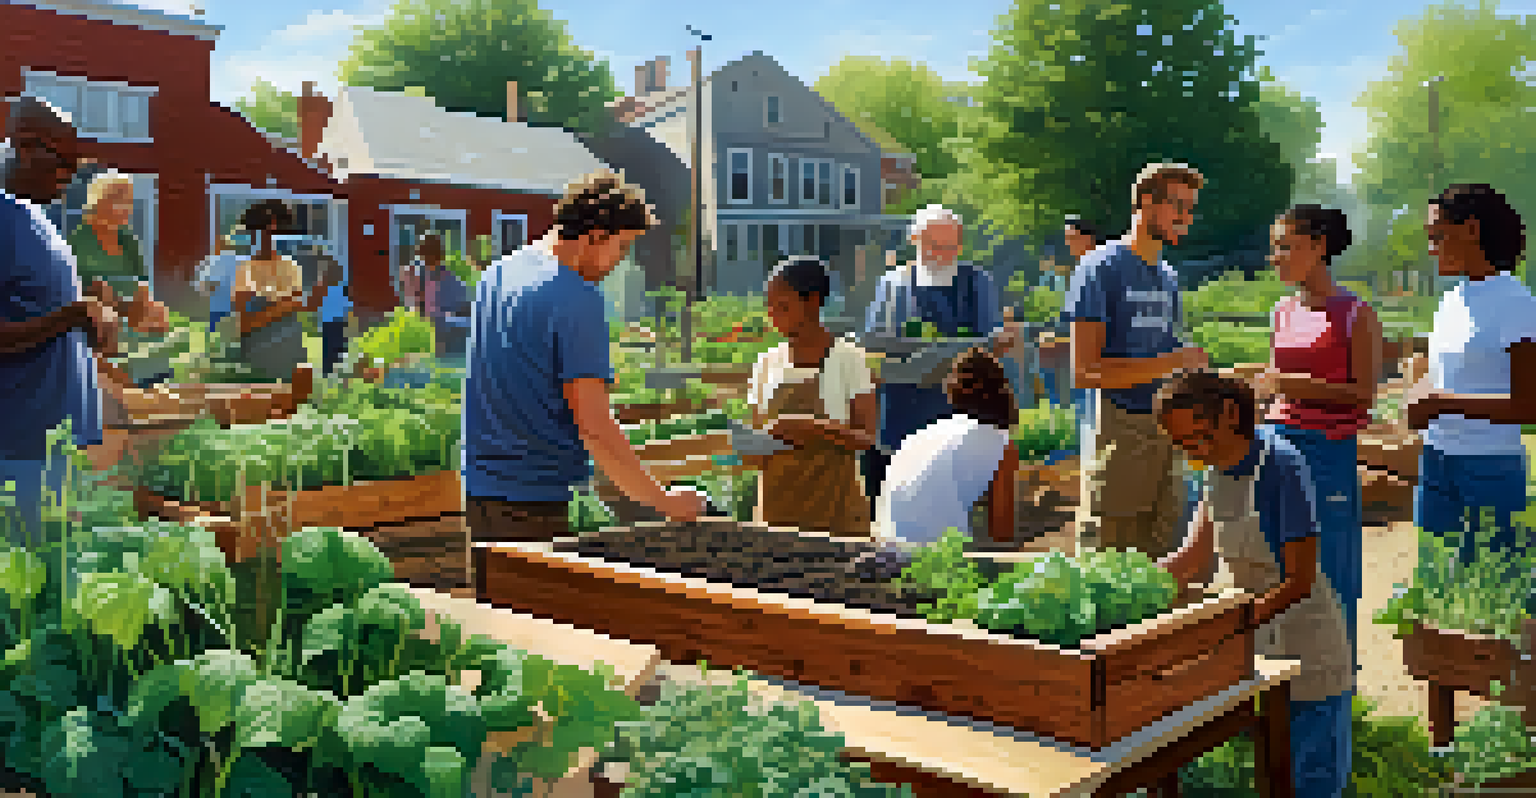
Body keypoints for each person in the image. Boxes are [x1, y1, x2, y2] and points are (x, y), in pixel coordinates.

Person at [463, 171, 704, 592]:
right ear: (594, 236)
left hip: (481, 492)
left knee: (499, 633)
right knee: (548, 644)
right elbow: (593, 425)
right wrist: (663, 500)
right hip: (536, 501)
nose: (619, 264)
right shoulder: (576, 296)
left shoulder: (497, 276)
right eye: (622, 248)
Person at [1156, 370, 1353, 797]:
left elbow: (1299, 580)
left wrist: (1231, 625)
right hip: (1252, 640)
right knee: (1262, 772)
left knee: (1309, 779)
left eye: (1197, 436)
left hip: (1306, 642)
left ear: (1228, 414)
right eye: (1182, 444)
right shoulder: (1212, 470)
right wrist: (1133, 584)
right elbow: (1190, 559)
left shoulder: (1281, 465)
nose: (1192, 450)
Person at [0, 94, 167, 547]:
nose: (72, 176)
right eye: (63, 161)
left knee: (47, 581)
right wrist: (73, 314)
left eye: (79, 164)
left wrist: (97, 318)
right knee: (21, 591)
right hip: (17, 443)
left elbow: (42, 313)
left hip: (55, 439)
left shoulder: (39, 217)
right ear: (24, 146)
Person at [1062, 162, 1209, 559]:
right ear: (1145, 202)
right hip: (1120, 435)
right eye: (1177, 205)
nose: (1185, 217)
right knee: (1109, 566)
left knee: (1165, 568)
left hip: (1170, 433)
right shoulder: (1099, 268)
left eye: (1191, 209)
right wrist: (1174, 361)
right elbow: (1085, 370)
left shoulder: (1167, 275)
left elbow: (1167, 354)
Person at [1258, 204, 1381, 653]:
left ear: (1319, 247)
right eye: (1274, 248)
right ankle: (1285, 672)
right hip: (1277, 445)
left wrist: (1287, 383)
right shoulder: (1281, 311)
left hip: (1327, 453)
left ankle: (1336, 674)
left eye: (1285, 247)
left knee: (1332, 566)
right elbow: (1277, 380)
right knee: (1278, 558)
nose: (1276, 257)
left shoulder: (1356, 313)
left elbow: (1363, 394)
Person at [1405, 183, 1536, 557]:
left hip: (1490, 468)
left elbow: (1529, 406)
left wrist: (1440, 403)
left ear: (1473, 229)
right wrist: (1418, 394)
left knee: (1492, 600)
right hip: (1435, 462)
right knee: (1432, 591)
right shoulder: (1451, 298)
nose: (1431, 250)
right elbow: (1440, 370)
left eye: (1438, 237)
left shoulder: (1518, 304)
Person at [862, 205, 1012, 520]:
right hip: (901, 405)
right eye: (933, 246)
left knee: (950, 499)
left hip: (958, 410)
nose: (942, 254)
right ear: (914, 240)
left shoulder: (975, 282)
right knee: (894, 492)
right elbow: (873, 341)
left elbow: (990, 342)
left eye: (950, 246)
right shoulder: (893, 283)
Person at [746, 256, 878, 536]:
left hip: (836, 518)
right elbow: (754, 442)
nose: (773, 315)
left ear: (813, 301)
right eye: (770, 307)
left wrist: (809, 427)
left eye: (782, 306)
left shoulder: (848, 359)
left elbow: (866, 438)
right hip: (776, 518)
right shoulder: (766, 364)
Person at [875, 347, 1020, 545]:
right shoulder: (1000, 443)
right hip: (933, 560)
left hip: (883, 548)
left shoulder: (922, 435)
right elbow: (1002, 534)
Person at [68, 171, 174, 389]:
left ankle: (152, 381)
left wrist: (143, 303)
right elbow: (79, 286)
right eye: (119, 200)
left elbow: (142, 281)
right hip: (95, 306)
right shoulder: (80, 239)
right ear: (98, 202)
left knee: (157, 314)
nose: (126, 208)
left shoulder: (127, 240)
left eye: (128, 201)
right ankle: (115, 384)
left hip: (128, 303)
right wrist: (112, 301)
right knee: (108, 318)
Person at [227, 200, 331, 383]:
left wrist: (322, 285)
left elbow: (305, 308)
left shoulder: (290, 266)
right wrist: (287, 305)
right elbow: (245, 324)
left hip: (290, 353)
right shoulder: (244, 269)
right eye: (262, 230)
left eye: (273, 231)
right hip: (259, 355)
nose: (268, 237)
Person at [421, 233, 471, 360]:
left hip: (447, 341)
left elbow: (464, 310)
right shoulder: (424, 277)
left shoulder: (450, 281)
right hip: (437, 338)